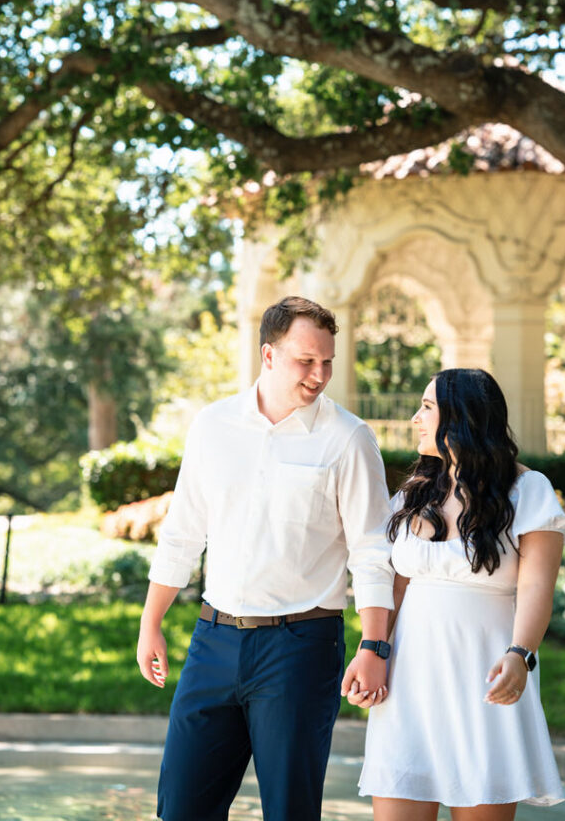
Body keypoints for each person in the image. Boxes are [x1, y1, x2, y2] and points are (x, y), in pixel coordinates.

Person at [137, 295, 395, 821]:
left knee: (290, 811)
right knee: (181, 808)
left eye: (327, 362)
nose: (319, 374)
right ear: (269, 355)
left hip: (300, 649)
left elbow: (372, 550)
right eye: (306, 361)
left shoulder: (349, 440)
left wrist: (374, 645)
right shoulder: (213, 426)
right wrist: (151, 622)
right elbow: (184, 532)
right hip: (213, 641)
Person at [353, 368, 565, 821]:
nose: (416, 417)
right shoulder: (414, 496)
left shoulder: (527, 490)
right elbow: (395, 583)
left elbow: (537, 585)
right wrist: (372, 650)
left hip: (484, 678)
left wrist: (521, 653)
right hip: (409, 680)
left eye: (428, 407)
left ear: (463, 418)